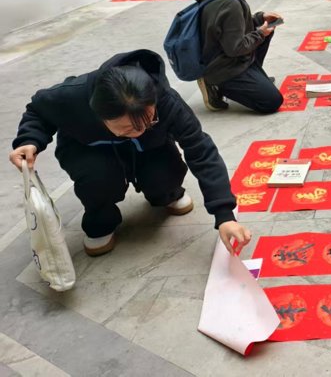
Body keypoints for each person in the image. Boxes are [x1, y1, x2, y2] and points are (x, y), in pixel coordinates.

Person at [8, 49, 252, 257]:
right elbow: (37, 111)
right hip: (91, 149)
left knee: (164, 174)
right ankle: (101, 219)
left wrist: (224, 215)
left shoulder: (166, 101)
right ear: (100, 115)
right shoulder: (72, 96)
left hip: (150, 149)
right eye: (126, 128)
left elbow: (201, 150)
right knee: (98, 180)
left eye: (148, 120)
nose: (138, 132)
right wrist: (29, 140)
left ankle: (167, 194)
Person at [194, 0, 284, 114]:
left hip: (225, 54)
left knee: (266, 26)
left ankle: (254, 76)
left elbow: (232, 25)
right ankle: (215, 85)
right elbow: (235, 48)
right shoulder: (229, 2)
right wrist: (260, 34)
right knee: (272, 101)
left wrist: (260, 18)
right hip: (224, 67)